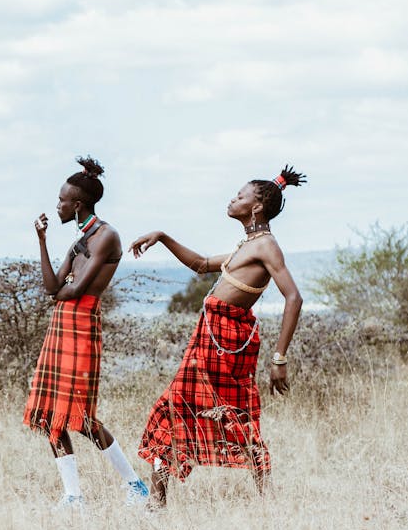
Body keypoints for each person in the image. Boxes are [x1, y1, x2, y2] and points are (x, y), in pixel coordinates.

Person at [128, 166, 306, 507]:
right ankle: (159, 500)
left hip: (227, 340)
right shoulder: (249, 245)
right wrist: (162, 237)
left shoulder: (267, 246)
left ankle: (158, 502)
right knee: (197, 411)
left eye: (240, 196)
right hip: (213, 337)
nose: (232, 199)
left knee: (208, 412)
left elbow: (294, 298)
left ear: (256, 207)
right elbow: (201, 263)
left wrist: (279, 358)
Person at [24, 156, 151, 509]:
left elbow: (74, 291)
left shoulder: (106, 235)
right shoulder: (79, 240)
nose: (58, 205)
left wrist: (64, 288)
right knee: (49, 413)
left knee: (81, 417)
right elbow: (53, 287)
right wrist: (42, 241)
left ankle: (136, 486)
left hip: (80, 325)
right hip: (61, 325)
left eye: (62, 200)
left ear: (77, 204)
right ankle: (73, 496)